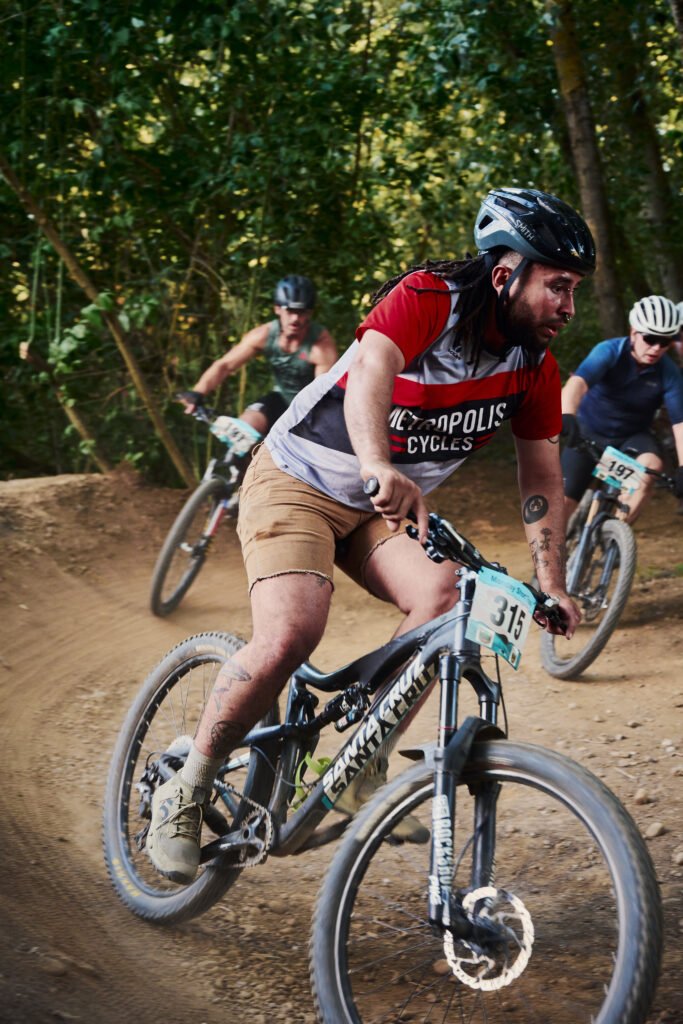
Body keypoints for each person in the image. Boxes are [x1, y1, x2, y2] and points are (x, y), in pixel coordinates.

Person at [147, 186, 595, 884]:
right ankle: (188, 785)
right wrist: (377, 464)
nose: (568, 307)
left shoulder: (532, 367)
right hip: (298, 480)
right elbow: (371, 373)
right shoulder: (429, 298)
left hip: (381, 510)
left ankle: (360, 763)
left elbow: (541, 477)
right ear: (505, 274)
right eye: (557, 286)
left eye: (574, 291)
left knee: (447, 600)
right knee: (292, 632)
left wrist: (552, 583)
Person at [560, 294, 683, 524]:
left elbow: (680, 424)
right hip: (589, 434)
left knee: (651, 467)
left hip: (629, 440)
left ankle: (614, 534)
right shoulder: (609, 351)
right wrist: (567, 414)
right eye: (650, 338)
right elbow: (577, 384)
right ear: (633, 332)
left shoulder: (669, 372)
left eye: (664, 342)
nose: (656, 348)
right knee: (562, 508)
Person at [180, 274, 338, 438]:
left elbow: (322, 394)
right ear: (277, 308)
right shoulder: (263, 335)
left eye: (301, 312)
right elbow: (225, 365)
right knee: (243, 431)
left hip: (311, 407)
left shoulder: (321, 346)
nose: (295, 319)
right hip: (280, 398)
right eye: (290, 310)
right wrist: (198, 392)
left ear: (310, 313)